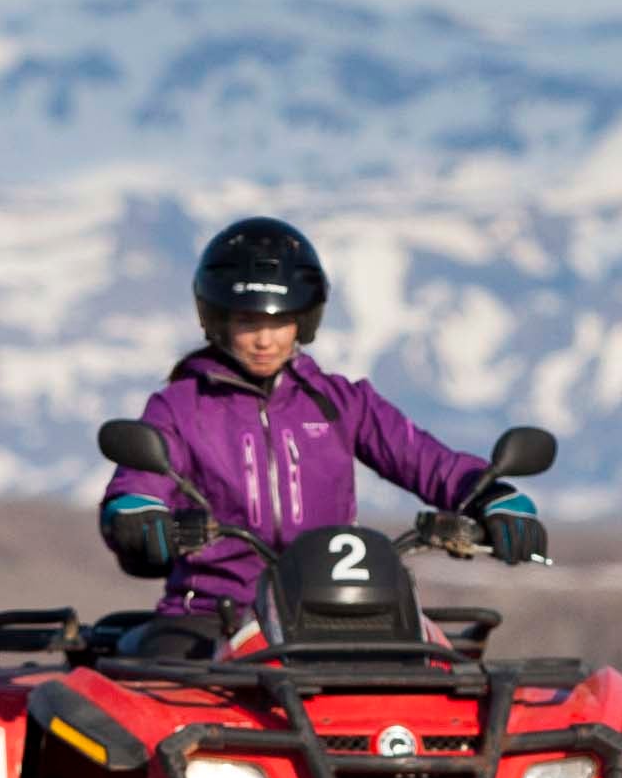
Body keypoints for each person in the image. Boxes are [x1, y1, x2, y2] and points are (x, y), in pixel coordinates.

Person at [100, 216, 545, 620]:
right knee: (154, 699)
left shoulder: (340, 402)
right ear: (217, 320)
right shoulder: (180, 406)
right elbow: (138, 485)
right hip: (210, 615)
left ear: (304, 322)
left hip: (333, 613)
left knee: (433, 683)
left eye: (280, 322)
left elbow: (429, 463)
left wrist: (494, 497)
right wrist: (138, 515)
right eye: (247, 322)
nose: (264, 340)